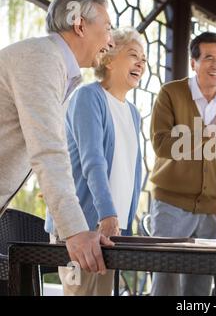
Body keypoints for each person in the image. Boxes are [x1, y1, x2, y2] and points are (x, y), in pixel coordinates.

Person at [0, 0, 115, 275]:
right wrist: (75, 231)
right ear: (79, 25)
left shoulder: (54, 64)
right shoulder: (41, 58)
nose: (110, 40)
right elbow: (48, 151)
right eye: (108, 27)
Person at [149, 32, 216, 296]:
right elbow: (161, 145)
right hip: (170, 206)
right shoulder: (170, 94)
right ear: (193, 63)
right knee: (166, 284)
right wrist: (209, 130)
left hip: (211, 211)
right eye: (208, 58)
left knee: (200, 287)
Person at [45, 27, 145, 295]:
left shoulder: (133, 113)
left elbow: (132, 173)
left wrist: (123, 224)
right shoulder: (88, 97)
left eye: (144, 59)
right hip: (82, 227)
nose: (141, 63)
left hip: (113, 231)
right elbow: (93, 162)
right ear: (109, 59)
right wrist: (107, 214)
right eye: (133, 55)